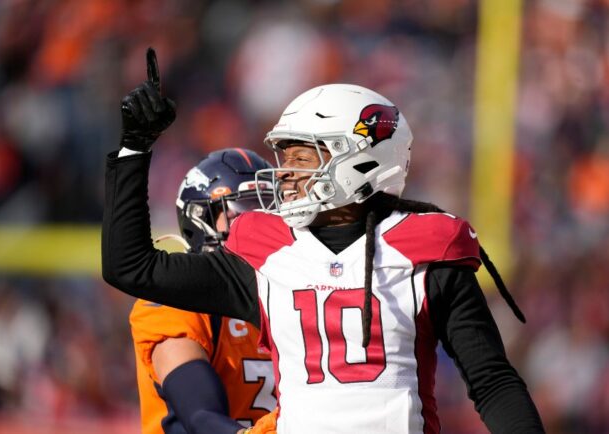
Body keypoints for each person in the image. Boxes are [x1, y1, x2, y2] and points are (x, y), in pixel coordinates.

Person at [104, 48, 544, 433]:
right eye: (285, 158)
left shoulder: (425, 254)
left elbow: (492, 381)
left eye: (300, 158)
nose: (285, 174)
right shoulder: (267, 255)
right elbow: (130, 267)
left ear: (360, 161)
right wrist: (134, 148)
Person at [129, 148, 278, 434]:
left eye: (271, 210)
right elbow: (199, 415)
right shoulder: (175, 299)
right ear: (200, 219)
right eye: (243, 212)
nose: (262, 224)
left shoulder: (291, 290)